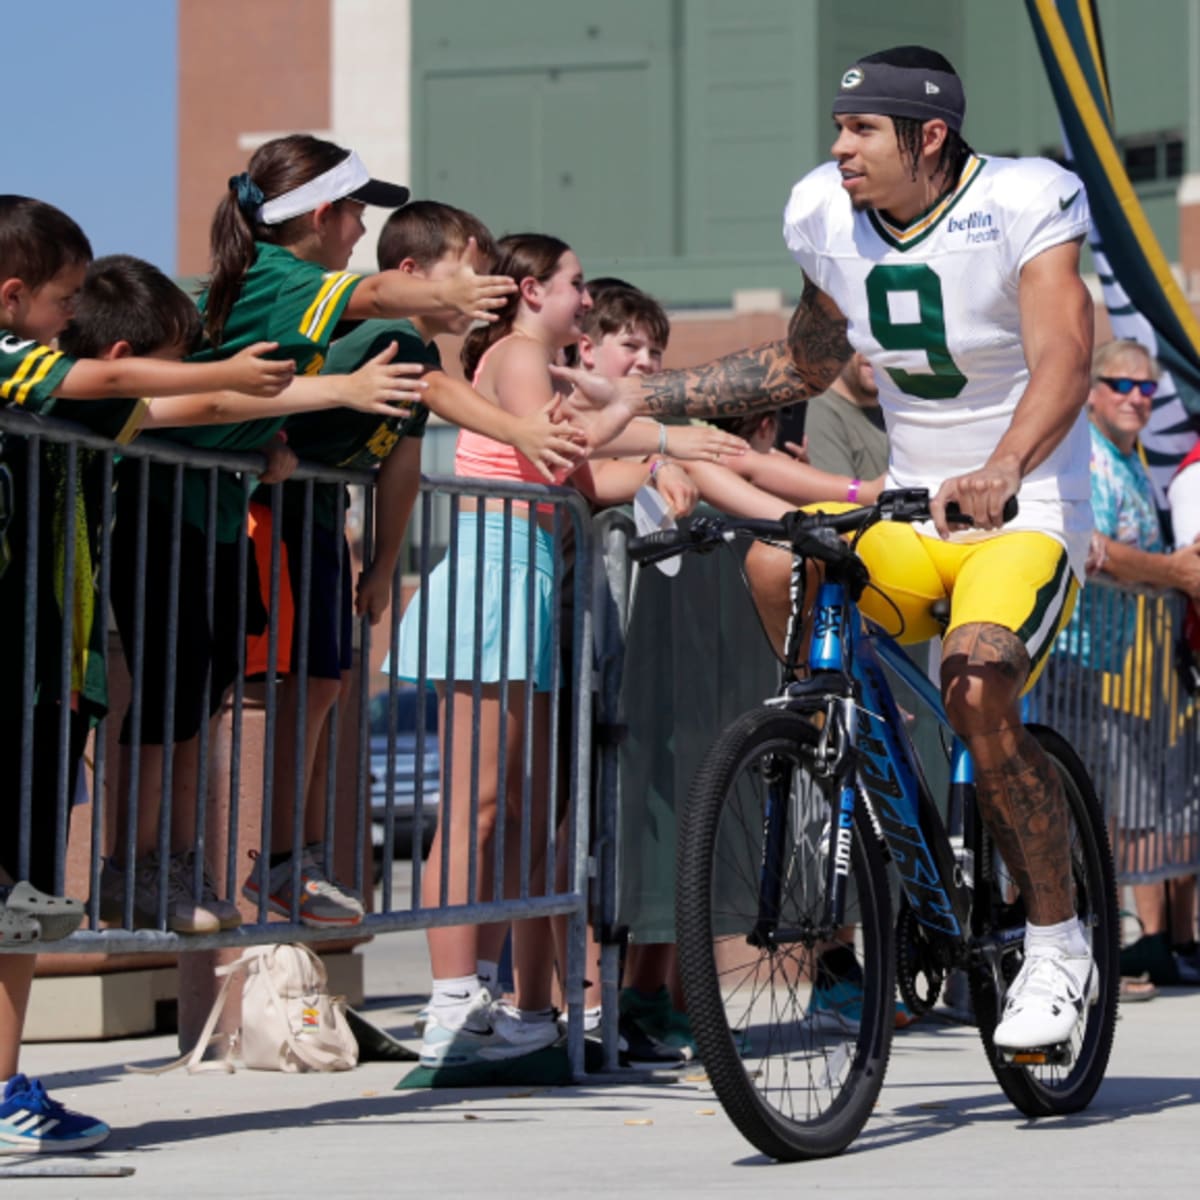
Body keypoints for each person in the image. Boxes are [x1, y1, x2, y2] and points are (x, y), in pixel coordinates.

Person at [556, 45, 1098, 1052]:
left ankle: (1058, 942)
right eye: (839, 130)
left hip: (1018, 514)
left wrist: (1008, 464)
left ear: (930, 138)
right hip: (910, 512)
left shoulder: (1025, 199)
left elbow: (1067, 355)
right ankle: (841, 749)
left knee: (979, 685)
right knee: (777, 563)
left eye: (862, 132)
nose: (839, 148)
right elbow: (802, 361)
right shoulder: (825, 213)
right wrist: (644, 396)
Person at [103, 134, 516, 933]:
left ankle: (181, 867)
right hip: (182, 513)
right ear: (324, 215)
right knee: (173, 709)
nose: (361, 229)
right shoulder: (278, 275)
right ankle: (146, 868)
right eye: (358, 213)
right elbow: (375, 302)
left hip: (225, 507)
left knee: (200, 707)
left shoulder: (288, 277)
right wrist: (368, 371)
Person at [0, 196, 293, 1154]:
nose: (73, 311)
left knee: (23, 900)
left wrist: (311, 395)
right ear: (13, 299)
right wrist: (221, 367)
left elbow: (183, 404)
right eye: (64, 295)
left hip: (54, 674)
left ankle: (5, 1087)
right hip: (20, 671)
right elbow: (128, 376)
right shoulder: (18, 366)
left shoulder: (64, 389)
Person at [262, 200, 586, 928]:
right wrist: (518, 430)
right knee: (299, 702)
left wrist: (381, 564)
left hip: (316, 523)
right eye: (469, 275)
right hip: (272, 516)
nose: (484, 292)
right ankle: (286, 859)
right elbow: (438, 393)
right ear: (410, 274)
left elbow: (402, 467)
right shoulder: (388, 334)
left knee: (320, 694)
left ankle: (300, 858)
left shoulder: (420, 356)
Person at [1053, 339, 1200, 991]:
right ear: (1091, 391)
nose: (1138, 398)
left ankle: (1093, 955)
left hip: (1106, 670)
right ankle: (1068, 956)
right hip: (1065, 662)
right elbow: (1094, 548)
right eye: (1123, 385)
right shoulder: (1087, 452)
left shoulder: (1129, 460)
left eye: (1148, 389)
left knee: (1095, 814)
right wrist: (1173, 573)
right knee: (1065, 814)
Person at [802, 351, 888, 481]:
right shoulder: (823, 411)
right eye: (866, 336)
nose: (876, 350)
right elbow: (839, 498)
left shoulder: (904, 409)